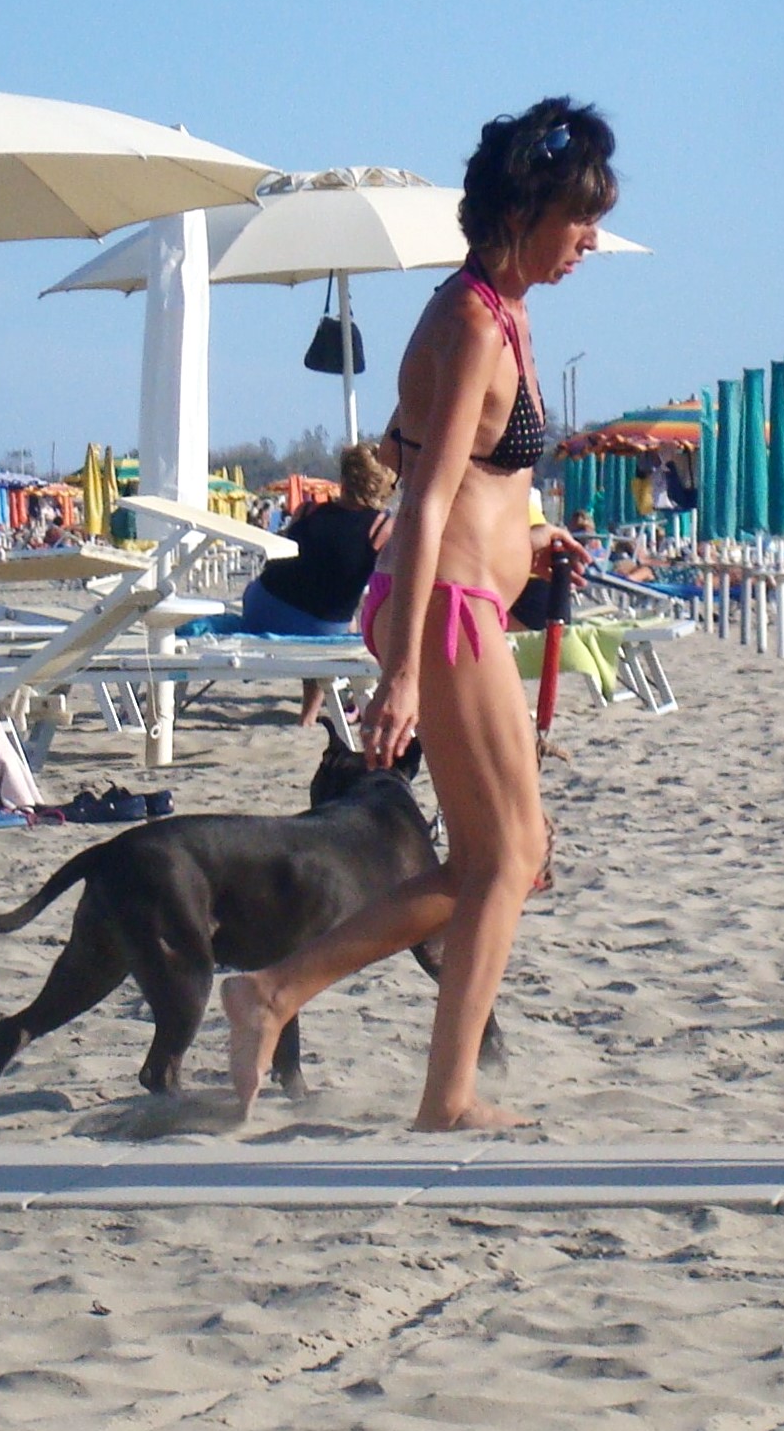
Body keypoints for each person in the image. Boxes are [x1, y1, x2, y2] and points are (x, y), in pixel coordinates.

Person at [222, 98, 612, 1130]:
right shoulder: (472, 321)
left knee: (499, 860)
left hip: (464, 594)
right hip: (443, 606)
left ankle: (276, 995)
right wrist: (398, 672)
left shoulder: (499, 308)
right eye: (578, 217)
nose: (590, 239)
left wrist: (527, 542)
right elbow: (428, 499)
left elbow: (449, 470)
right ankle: (435, 1090)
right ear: (523, 211)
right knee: (510, 857)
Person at [238, 444, 396, 725]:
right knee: (339, 622)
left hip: (261, 611)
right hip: (318, 629)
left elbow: (297, 566)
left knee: (317, 609)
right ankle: (312, 715)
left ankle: (316, 712)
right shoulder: (382, 528)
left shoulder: (306, 511)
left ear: (344, 478)